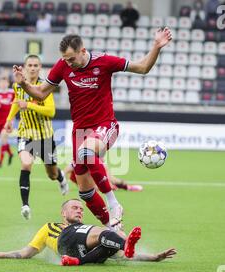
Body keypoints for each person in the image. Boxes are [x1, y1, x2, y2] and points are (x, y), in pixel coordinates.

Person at [12, 30, 172, 230]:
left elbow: (142, 67)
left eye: (71, 59)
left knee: (86, 152)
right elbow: (41, 93)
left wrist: (156, 46)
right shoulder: (63, 66)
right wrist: (23, 84)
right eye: (65, 60)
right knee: (85, 191)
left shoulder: (104, 62)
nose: (68, 63)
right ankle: (112, 229)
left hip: (105, 125)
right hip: (80, 131)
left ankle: (114, 205)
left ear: (82, 51)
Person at [0, 199, 177, 266]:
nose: (79, 210)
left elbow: (122, 258)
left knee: (110, 246)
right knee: (105, 233)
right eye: (74, 207)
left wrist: (154, 257)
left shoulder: (88, 232)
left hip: (81, 255)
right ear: (63, 213)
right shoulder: (50, 228)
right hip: (66, 241)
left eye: (81, 208)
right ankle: (125, 240)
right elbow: (26, 252)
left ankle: (78, 262)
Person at [4, 55, 69, 220]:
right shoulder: (18, 85)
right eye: (30, 65)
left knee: (51, 174)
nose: (32, 68)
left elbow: (51, 111)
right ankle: (25, 205)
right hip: (25, 134)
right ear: (25, 67)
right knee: (26, 163)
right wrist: (9, 120)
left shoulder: (45, 87)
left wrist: (30, 105)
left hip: (45, 137)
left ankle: (60, 177)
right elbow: (17, 101)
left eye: (35, 65)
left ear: (40, 68)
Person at [64, 163, 143, 192]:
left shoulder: (96, 161)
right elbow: (65, 171)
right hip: (81, 180)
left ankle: (128, 187)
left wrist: (109, 183)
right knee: (92, 189)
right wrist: (63, 183)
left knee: (113, 180)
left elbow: (105, 171)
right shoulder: (76, 162)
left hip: (93, 176)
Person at [0, 77, 15, 168]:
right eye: (2, 82)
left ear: (8, 84)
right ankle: (10, 153)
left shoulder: (12, 93)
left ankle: (0, 161)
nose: (3, 84)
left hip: (9, 120)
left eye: (5, 82)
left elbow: (16, 103)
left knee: (3, 136)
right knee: (3, 140)